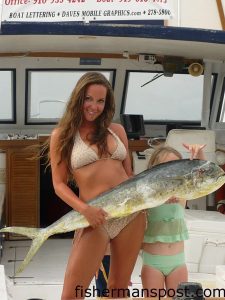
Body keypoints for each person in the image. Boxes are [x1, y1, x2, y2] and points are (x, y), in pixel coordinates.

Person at [49, 71, 146, 299]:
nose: (94, 106)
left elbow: (129, 175)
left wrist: (158, 195)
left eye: (101, 101)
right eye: (89, 99)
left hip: (131, 214)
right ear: (78, 98)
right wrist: (85, 210)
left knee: (119, 288)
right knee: (72, 294)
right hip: (94, 215)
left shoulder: (118, 130)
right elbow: (59, 184)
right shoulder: (62, 135)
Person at [141, 144, 206, 298]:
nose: (171, 171)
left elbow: (202, 175)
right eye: (165, 166)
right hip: (152, 263)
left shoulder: (183, 191)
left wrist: (199, 153)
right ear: (154, 169)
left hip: (178, 262)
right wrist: (160, 199)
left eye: (175, 166)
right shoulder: (147, 196)